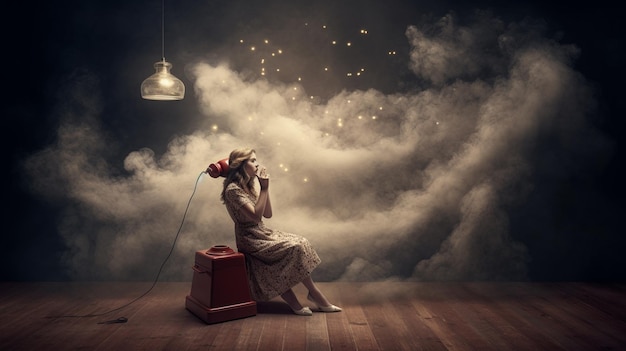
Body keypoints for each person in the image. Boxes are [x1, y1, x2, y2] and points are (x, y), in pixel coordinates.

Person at [220, 147, 341, 316]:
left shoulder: (248, 185)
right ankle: (307, 298)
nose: (257, 163)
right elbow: (255, 217)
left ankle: (313, 293)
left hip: (261, 232)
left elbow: (267, 214)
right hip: (250, 238)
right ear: (241, 164)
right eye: (252, 160)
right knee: (293, 249)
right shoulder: (233, 190)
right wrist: (263, 189)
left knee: (301, 242)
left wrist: (265, 188)